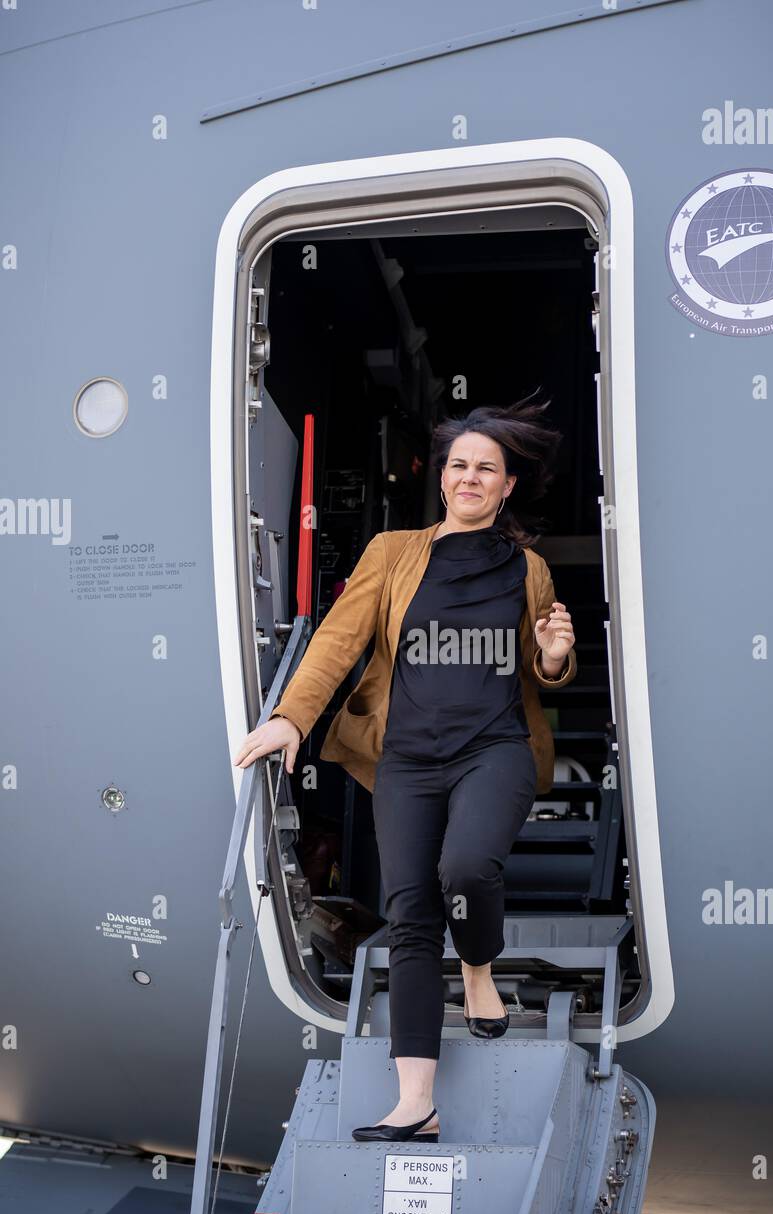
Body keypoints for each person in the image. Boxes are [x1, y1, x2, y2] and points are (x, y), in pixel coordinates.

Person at [234, 395, 577, 1143]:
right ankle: (415, 1100)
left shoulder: (530, 570)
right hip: (409, 760)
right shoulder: (393, 553)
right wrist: (291, 715)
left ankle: (481, 973)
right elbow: (336, 640)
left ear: (507, 485)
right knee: (413, 917)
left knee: (469, 868)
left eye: (487, 469)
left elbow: (542, 666)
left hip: (496, 749)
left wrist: (554, 657)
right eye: (460, 465)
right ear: (444, 476)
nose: (471, 478)